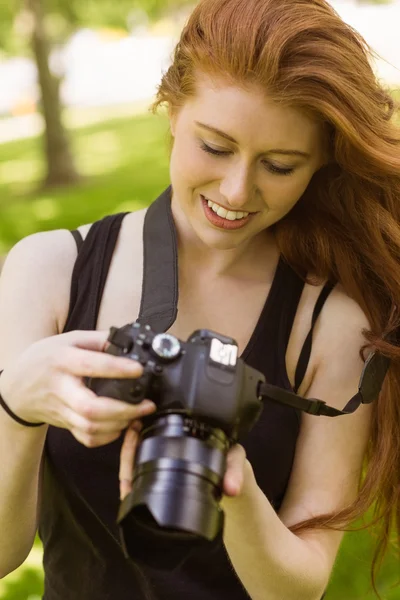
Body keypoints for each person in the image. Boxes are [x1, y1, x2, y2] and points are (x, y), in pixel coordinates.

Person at [0, 0, 399, 598]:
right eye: (214, 147)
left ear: (320, 165)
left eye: (280, 165)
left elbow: (300, 587)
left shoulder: (332, 324)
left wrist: (229, 481)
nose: (237, 191)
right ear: (171, 112)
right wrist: (17, 405)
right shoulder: (51, 269)